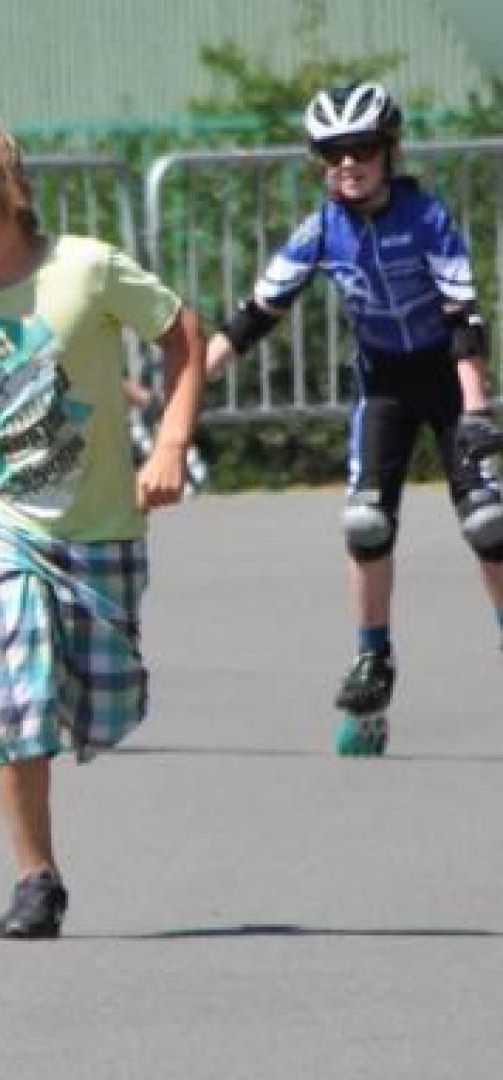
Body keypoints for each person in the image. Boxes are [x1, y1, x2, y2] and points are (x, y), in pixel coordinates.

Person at [0, 118, 206, 939]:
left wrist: (170, 445)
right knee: (13, 695)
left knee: (107, 702)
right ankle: (36, 877)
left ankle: (57, 677)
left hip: (100, 526)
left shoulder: (86, 268)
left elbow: (183, 334)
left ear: (9, 191)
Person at [204, 82, 502, 750]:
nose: (348, 164)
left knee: (488, 523)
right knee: (367, 523)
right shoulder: (321, 230)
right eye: (332, 152)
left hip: (448, 381)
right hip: (384, 385)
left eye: (361, 149)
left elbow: (464, 320)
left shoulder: (427, 218)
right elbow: (254, 317)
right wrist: (188, 390)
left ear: (390, 150)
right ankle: (373, 658)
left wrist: (477, 410)